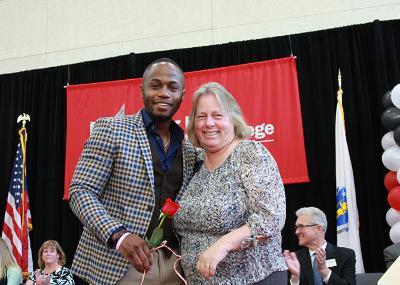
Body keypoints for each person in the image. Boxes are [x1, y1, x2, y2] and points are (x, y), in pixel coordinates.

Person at [69, 58, 197, 284]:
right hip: (114, 264)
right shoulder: (111, 129)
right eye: (155, 85)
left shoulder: (188, 148)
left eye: (172, 87)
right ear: (142, 89)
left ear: (182, 94)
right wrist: (118, 236)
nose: (164, 93)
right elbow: (81, 191)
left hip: (173, 266)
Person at [174, 82, 288, 284]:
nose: (209, 123)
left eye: (217, 115)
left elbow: (271, 219)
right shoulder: (195, 162)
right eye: (201, 116)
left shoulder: (250, 153)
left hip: (254, 279)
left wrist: (223, 244)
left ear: (233, 120)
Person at [283, 207, 356, 285]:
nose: (297, 232)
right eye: (296, 227)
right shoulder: (295, 259)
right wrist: (295, 279)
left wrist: (325, 271)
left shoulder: (345, 255)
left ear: (318, 228)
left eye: (301, 226)